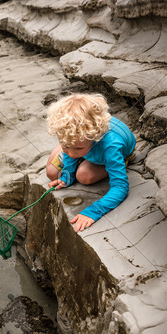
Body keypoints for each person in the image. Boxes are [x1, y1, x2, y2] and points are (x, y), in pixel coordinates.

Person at [45, 93, 136, 233]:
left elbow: (121, 187)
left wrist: (94, 211)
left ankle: (119, 161)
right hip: (90, 148)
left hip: (109, 153)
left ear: (95, 136)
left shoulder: (111, 145)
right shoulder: (75, 140)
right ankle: (79, 151)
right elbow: (71, 153)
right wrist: (66, 177)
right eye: (65, 145)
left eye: (78, 148)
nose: (71, 153)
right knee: (53, 173)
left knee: (83, 176)